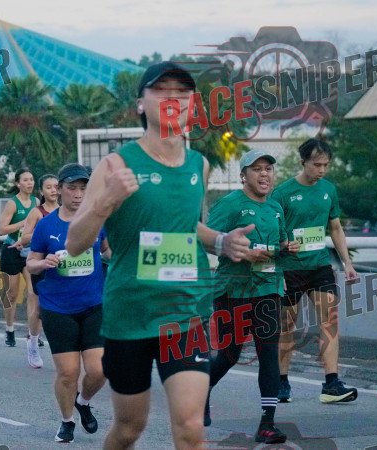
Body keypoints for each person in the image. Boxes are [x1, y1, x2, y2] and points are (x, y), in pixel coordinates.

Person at [66, 61, 255, 450]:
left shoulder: (199, 165)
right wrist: (104, 203)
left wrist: (221, 242)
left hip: (184, 315)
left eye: (183, 92)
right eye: (162, 90)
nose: (173, 98)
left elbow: (185, 226)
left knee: (190, 427)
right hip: (130, 316)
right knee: (129, 429)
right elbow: (74, 244)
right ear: (141, 103)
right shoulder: (116, 165)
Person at [204, 150, 298, 443]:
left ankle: (267, 424)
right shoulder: (230, 204)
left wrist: (286, 248)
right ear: (243, 175)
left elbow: (280, 242)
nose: (264, 174)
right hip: (233, 290)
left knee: (269, 352)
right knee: (230, 354)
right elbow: (206, 240)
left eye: (268, 168)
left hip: (268, 288)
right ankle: (201, 390)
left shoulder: (276, 208)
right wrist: (244, 253)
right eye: (257, 169)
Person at [271, 138, 359, 404]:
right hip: (289, 269)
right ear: (303, 162)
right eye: (316, 165)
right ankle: (281, 381)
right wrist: (283, 246)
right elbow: (271, 232)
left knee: (329, 320)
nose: (321, 170)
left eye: (326, 165)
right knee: (287, 326)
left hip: (320, 265)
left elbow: (335, 228)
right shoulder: (282, 193)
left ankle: (331, 383)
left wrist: (347, 262)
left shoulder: (328, 190)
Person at [26, 164, 108, 443]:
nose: (78, 194)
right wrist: (43, 263)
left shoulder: (97, 219)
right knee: (68, 373)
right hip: (57, 308)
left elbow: (109, 250)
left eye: (84, 188)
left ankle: (83, 402)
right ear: (59, 190)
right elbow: (31, 262)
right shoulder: (46, 225)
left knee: (99, 370)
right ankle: (67, 421)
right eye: (72, 188)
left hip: (94, 304)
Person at [0, 169, 43, 369]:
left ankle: (33, 334)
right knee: (12, 292)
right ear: (18, 184)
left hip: (30, 251)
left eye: (32, 179)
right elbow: (1, 229)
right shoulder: (13, 203)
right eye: (26, 180)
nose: (30, 183)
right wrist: (24, 222)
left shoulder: (36, 202)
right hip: (11, 250)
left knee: (33, 292)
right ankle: (9, 329)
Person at [17, 173, 59, 346]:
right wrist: (44, 233)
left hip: (60, 266)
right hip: (40, 264)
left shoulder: (66, 210)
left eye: (56, 187)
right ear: (41, 191)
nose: (53, 190)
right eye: (48, 187)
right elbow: (25, 237)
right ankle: (33, 342)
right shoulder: (37, 212)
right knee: (38, 309)